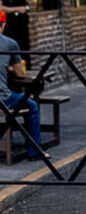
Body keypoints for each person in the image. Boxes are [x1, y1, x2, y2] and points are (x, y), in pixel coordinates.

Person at [0, 11, 47, 161]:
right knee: (32, 105)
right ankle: (35, 152)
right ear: (3, 25)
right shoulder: (9, 43)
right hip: (2, 98)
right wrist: (11, 68)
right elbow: (21, 74)